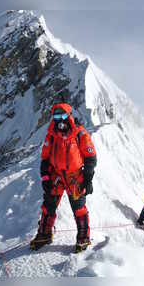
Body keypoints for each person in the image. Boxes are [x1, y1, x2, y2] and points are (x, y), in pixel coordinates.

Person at [30, 103, 97, 253]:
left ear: (69, 116)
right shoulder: (52, 135)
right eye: (56, 116)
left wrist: (87, 179)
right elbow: (45, 159)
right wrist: (46, 178)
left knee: (79, 208)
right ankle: (45, 233)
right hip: (56, 176)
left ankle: (83, 237)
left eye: (63, 116)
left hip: (75, 177)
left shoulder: (79, 133)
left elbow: (90, 157)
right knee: (48, 206)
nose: (60, 120)